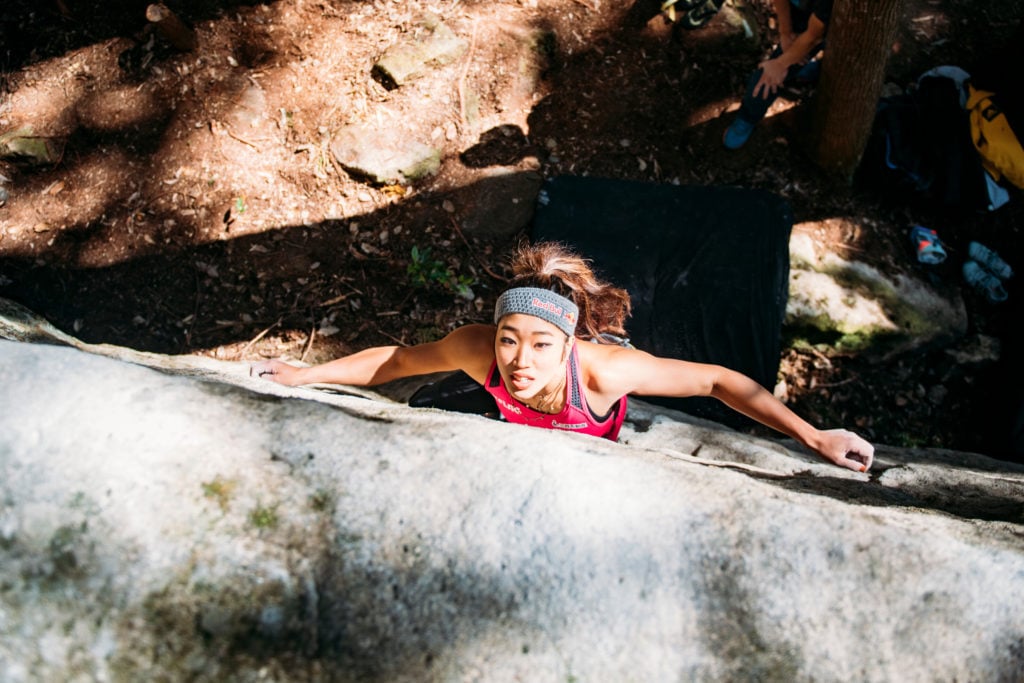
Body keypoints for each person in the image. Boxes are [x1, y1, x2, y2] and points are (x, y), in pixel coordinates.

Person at [251, 242, 874, 473]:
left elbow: (717, 380)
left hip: (583, 441)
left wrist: (813, 437)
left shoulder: (603, 371)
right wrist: (306, 376)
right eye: (509, 339)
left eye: (542, 344)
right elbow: (396, 363)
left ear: (568, 345)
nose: (519, 360)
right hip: (500, 427)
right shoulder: (478, 351)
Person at [722, 0, 833, 150]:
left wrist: (780, 64)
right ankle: (748, 117)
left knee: (764, 82)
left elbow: (814, 35)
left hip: (829, 28)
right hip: (803, 23)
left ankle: (747, 117)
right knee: (764, 81)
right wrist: (785, 34)